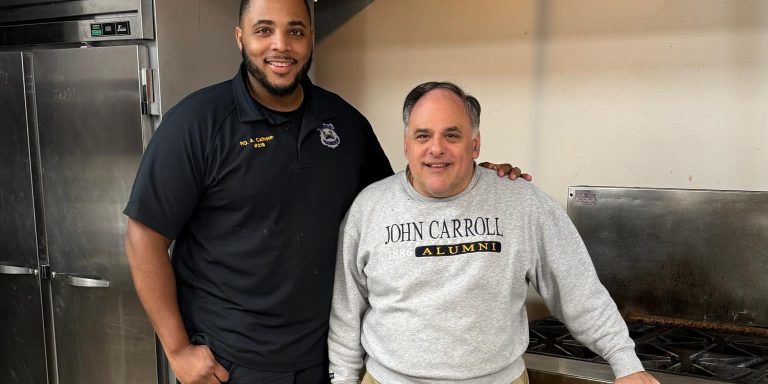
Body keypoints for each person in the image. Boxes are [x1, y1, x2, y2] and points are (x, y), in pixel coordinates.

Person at [123, 1, 527, 383]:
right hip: (232, 363)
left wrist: (474, 179)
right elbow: (144, 239)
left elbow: (402, 204)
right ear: (240, 37)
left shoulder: (346, 124)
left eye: (295, 31)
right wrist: (176, 350)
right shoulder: (196, 124)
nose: (281, 45)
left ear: (310, 38)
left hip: (328, 360)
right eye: (264, 30)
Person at [327, 81, 660, 384]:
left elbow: (578, 289)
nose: (436, 148)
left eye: (452, 135)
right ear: (406, 145)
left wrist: (626, 363)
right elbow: (345, 312)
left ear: (475, 145)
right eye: (423, 135)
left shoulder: (522, 202)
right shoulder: (369, 208)